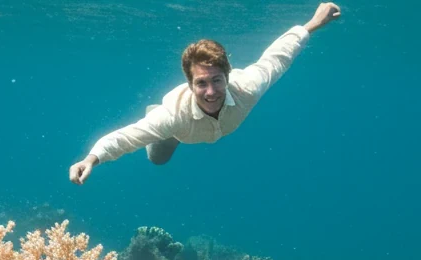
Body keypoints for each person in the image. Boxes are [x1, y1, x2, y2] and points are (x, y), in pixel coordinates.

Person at [68, 2, 340, 185]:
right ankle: (163, 127)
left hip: (205, 125)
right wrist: (91, 159)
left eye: (217, 80)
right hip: (178, 129)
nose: (211, 92)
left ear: (228, 75)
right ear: (189, 83)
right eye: (201, 83)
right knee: (158, 159)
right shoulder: (172, 117)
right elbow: (125, 137)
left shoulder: (247, 86)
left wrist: (312, 24)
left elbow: (277, 57)